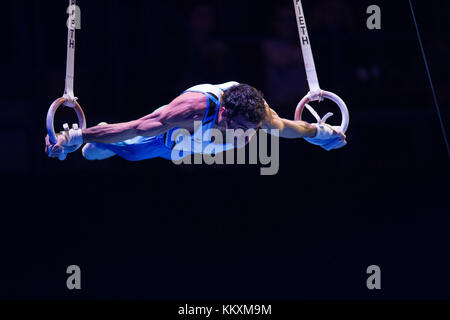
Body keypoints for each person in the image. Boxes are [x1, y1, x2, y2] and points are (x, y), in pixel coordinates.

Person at [45, 82, 347, 161]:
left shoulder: (259, 114)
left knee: (272, 130)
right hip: (172, 139)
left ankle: (100, 143)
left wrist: (321, 132)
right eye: (241, 128)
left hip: (199, 147)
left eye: (251, 130)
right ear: (225, 113)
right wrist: (75, 137)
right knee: (132, 150)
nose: (248, 135)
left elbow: (292, 129)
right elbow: (136, 125)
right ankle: (104, 144)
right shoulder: (190, 111)